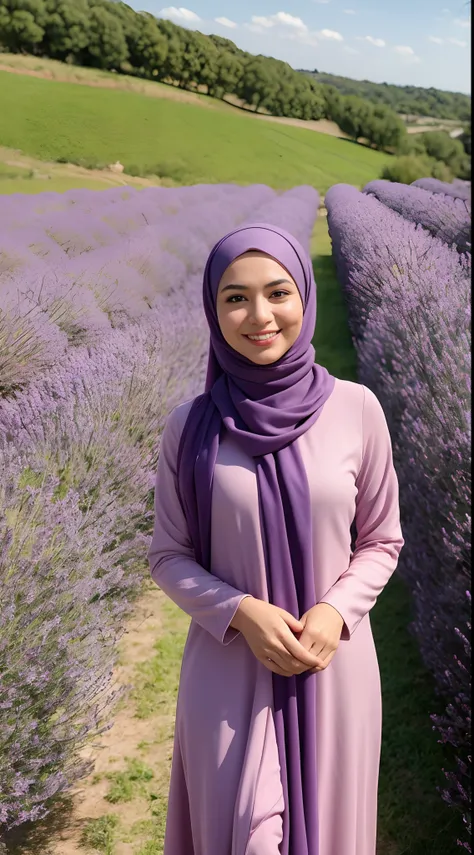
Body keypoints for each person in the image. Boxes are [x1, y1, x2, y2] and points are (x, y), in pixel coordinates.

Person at [147, 223, 405, 855]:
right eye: (235, 297)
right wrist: (241, 612)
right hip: (228, 671)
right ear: (213, 310)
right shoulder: (191, 427)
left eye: (277, 293)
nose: (258, 315)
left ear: (305, 298)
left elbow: (381, 539)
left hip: (332, 667)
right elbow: (168, 555)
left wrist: (334, 611)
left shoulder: (357, 410)